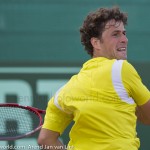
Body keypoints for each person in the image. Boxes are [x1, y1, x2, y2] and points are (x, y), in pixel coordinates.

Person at [38, 6, 150, 150]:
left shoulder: (62, 94)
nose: (125, 39)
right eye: (115, 34)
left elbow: (45, 140)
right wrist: (130, 106)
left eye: (124, 33)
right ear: (96, 43)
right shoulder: (122, 69)